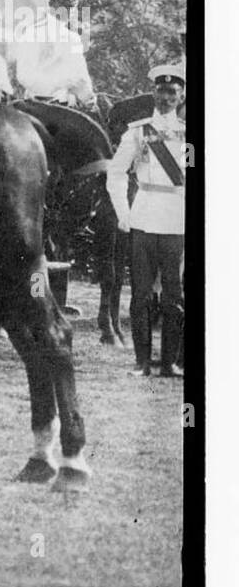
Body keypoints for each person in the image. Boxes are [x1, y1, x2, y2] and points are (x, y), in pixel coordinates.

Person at [106, 64, 187, 378]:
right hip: (142, 218)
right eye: (161, 91)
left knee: (173, 296)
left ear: (181, 96)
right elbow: (115, 173)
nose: (165, 97)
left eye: (172, 92)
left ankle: (169, 363)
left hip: (177, 222)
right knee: (140, 296)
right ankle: (142, 363)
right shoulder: (139, 131)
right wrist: (123, 213)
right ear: (154, 92)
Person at [14, 0, 96, 110]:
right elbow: (24, 75)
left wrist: (89, 98)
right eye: (65, 6)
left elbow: (81, 75)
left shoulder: (73, 37)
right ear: (51, 4)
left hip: (72, 105)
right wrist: (58, 88)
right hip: (40, 104)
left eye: (72, 7)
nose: (70, 12)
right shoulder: (34, 33)